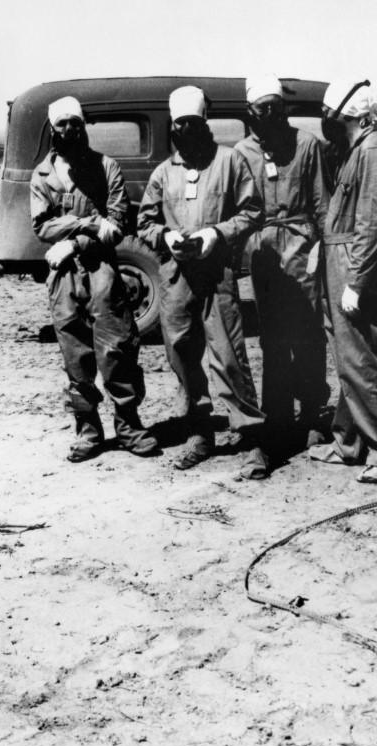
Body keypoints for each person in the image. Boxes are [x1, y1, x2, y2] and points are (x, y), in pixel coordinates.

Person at [136, 85, 269, 478]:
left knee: (228, 355)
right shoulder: (164, 173)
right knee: (181, 354)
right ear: (172, 127)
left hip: (217, 276)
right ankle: (199, 433)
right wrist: (166, 237)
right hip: (176, 279)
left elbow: (252, 212)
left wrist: (216, 234)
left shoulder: (229, 162)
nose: (186, 130)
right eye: (180, 124)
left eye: (193, 123)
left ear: (204, 123)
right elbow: (144, 221)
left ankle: (251, 437)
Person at [30, 96, 158, 463]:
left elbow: (117, 224)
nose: (69, 130)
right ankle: (88, 431)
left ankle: (130, 426)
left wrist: (71, 242)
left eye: (75, 123)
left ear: (84, 126)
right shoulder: (42, 176)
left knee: (117, 349)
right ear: (52, 129)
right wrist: (87, 223)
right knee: (75, 355)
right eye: (61, 124)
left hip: (102, 270)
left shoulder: (106, 168)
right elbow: (41, 226)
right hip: (64, 277)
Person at [309, 80, 377, 483]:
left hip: (353, 267)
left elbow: (372, 222)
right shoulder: (356, 152)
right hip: (340, 261)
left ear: (361, 119)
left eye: (344, 121)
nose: (337, 127)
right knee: (347, 357)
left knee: (362, 358)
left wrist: (357, 280)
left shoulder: (370, 150)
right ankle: (348, 442)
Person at [234, 74, 330, 453]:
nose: (272, 115)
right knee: (273, 338)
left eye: (277, 107)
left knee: (308, 332)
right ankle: (277, 416)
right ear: (251, 113)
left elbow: (322, 202)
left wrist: (324, 246)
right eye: (263, 109)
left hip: (303, 247)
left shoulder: (307, 144)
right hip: (265, 253)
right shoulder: (242, 154)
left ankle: (311, 413)